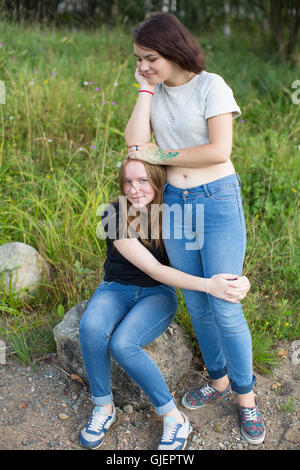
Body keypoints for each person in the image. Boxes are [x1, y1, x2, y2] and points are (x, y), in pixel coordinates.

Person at [125, 12, 265, 445]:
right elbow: (134, 144)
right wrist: (146, 90)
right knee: (197, 302)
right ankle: (219, 379)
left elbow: (218, 150)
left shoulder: (211, 85)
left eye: (150, 58)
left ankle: (247, 399)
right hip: (177, 206)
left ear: (173, 49)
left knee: (223, 300)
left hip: (217, 200)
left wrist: (160, 152)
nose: (144, 65)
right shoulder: (155, 91)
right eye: (138, 60)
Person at [79, 158, 250, 450]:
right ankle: (103, 408)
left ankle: (173, 417)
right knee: (90, 328)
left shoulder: (175, 214)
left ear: (158, 180)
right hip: (115, 288)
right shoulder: (114, 213)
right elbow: (154, 268)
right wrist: (211, 286)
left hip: (157, 295)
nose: (135, 189)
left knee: (123, 344)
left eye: (143, 180)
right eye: (128, 182)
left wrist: (237, 281)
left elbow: (208, 257)